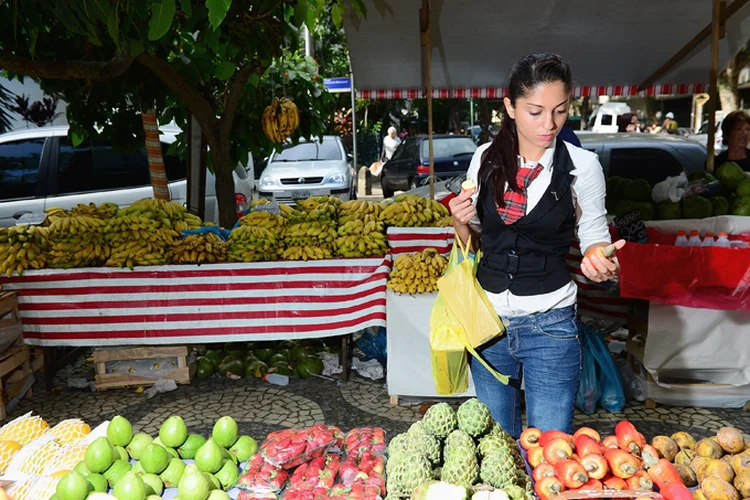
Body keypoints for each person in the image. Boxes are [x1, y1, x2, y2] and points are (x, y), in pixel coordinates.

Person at [449, 53, 626, 437]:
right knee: (494, 444)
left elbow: (595, 236)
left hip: (551, 324)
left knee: (550, 448)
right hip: (488, 324)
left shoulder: (582, 166)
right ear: (510, 107)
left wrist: (599, 259)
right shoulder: (484, 160)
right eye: (535, 111)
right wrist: (459, 221)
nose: (549, 124)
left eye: (560, 111)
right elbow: (476, 240)